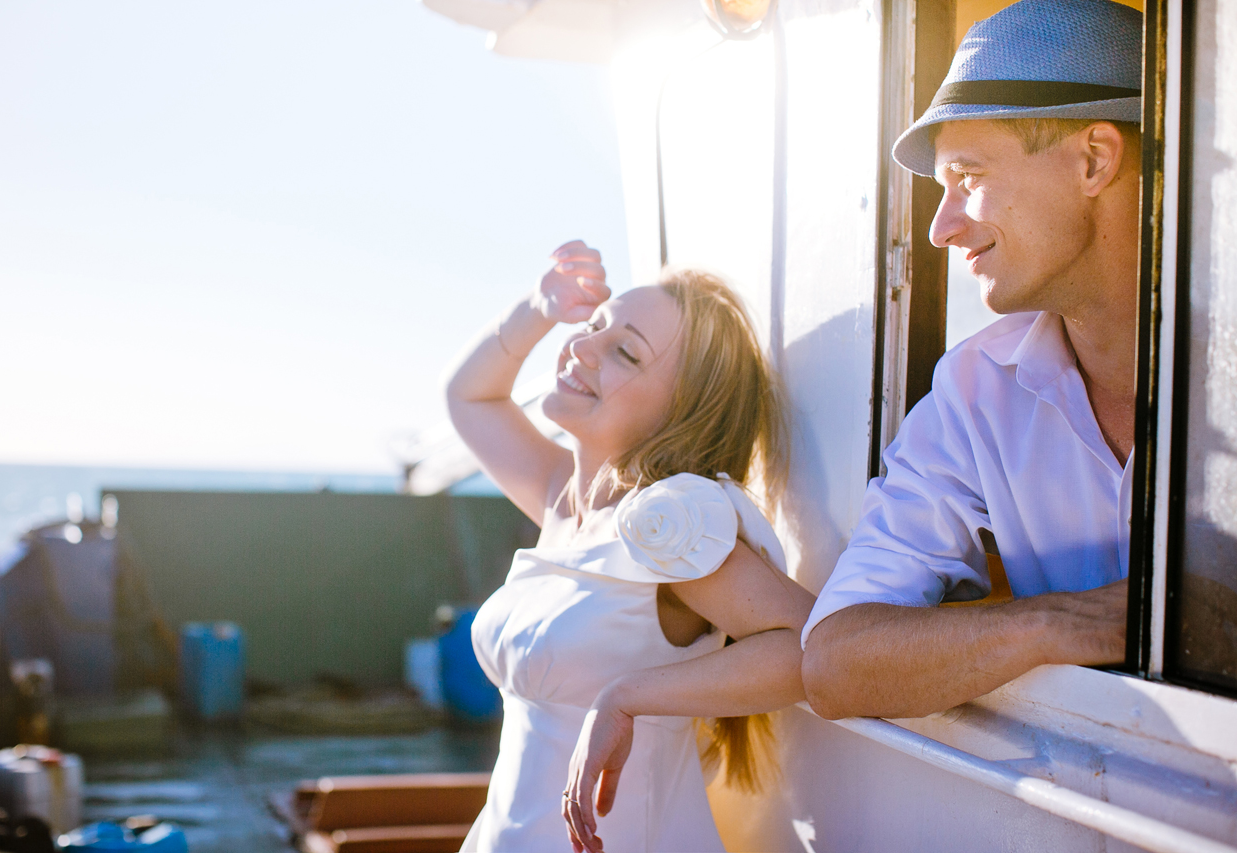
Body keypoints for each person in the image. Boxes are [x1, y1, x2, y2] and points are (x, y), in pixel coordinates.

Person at [801, 0, 1142, 719]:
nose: (939, 228)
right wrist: (1059, 623)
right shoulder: (975, 387)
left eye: (968, 176)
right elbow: (834, 662)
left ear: (1093, 160)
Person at [447, 241, 814, 853]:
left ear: (683, 412)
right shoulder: (563, 497)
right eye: (594, 326)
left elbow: (812, 648)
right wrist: (538, 309)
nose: (581, 347)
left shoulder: (671, 529)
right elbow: (468, 396)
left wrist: (630, 696)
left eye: (624, 351)